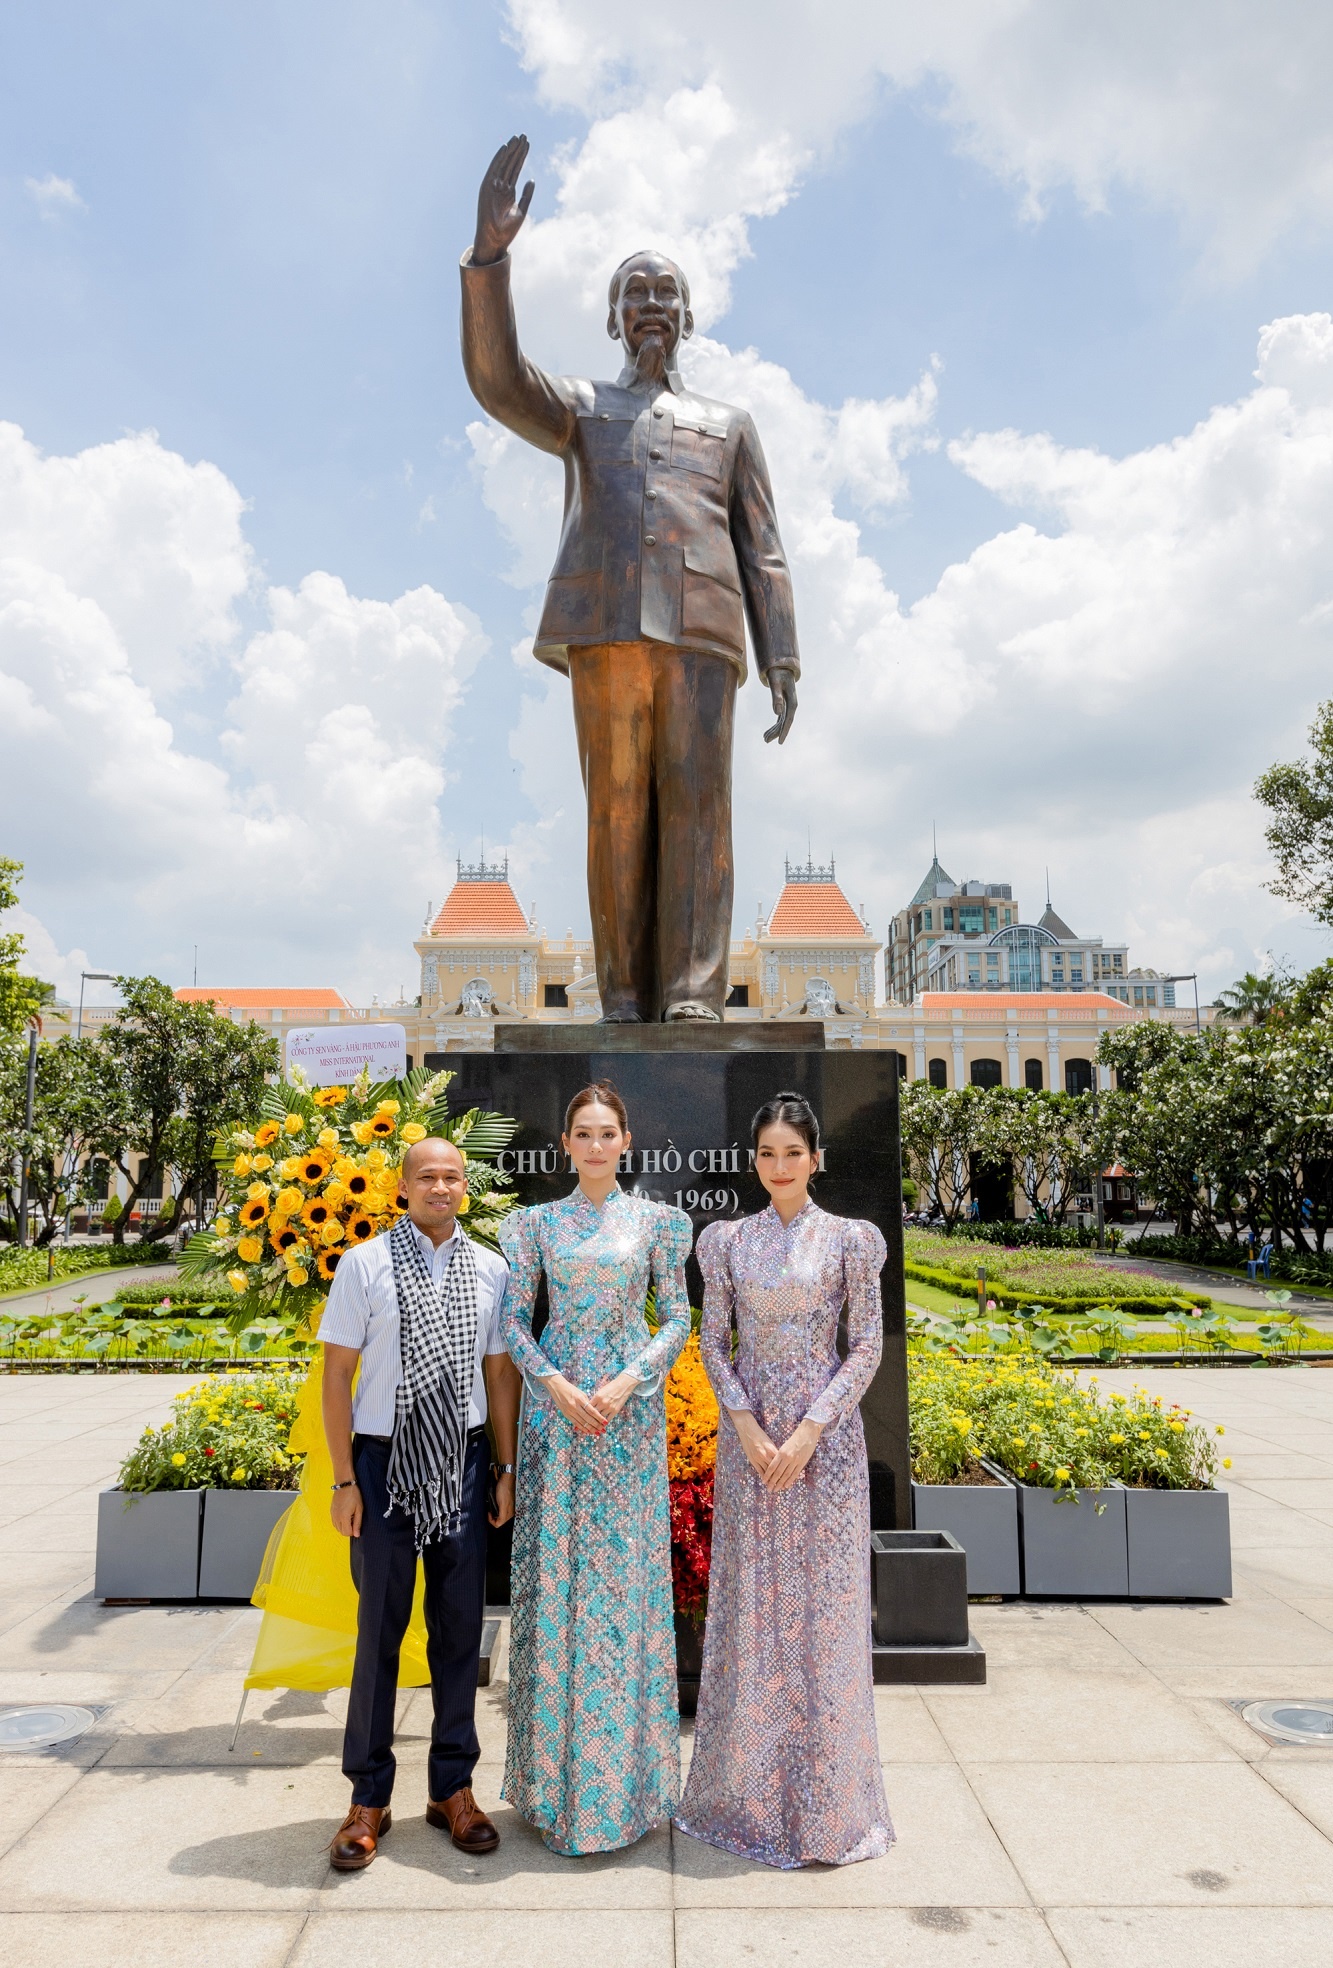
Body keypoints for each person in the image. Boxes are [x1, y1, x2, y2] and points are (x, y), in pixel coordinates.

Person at [460, 135, 801, 1024]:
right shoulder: (578, 407)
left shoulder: (728, 423)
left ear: (687, 317)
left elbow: (761, 545)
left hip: (702, 632)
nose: (652, 304)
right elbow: (496, 381)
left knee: (698, 815)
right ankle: (619, 997)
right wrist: (489, 258)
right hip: (605, 626)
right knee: (615, 815)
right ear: (613, 320)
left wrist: (783, 659)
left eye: (666, 292)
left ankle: (691, 996)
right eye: (634, 294)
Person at [674, 1091, 893, 1869]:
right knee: (754, 1610)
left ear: (815, 1158)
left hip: (823, 1450)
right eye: (765, 1154)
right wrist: (744, 1426)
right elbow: (713, 1340)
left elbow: (864, 1346)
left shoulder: (849, 1241)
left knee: (825, 1613)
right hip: (749, 1447)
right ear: (754, 1160)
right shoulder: (728, 1241)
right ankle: (749, 1798)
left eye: (791, 1154)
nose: (777, 1167)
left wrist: (808, 1430)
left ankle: (830, 1806)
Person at [499, 1081, 692, 1854]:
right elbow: (515, 1318)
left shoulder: (659, 1223)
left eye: (606, 1132)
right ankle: (554, 1790)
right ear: (565, 1144)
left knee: (622, 1593)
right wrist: (551, 1382)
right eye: (581, 1132)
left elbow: (676, 1314)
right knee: (555, 1590)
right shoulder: (533, 1225)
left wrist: (628, 1377)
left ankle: (628, 1790)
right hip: (557, 1418)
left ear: (626, 1140)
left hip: (626, 1420)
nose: (594, 1144)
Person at [319, 1135, 521, 1871]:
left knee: (459, 1632)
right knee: (378, 1632)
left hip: (464, 1464)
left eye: (452, 1177)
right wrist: (345, 1480)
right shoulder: (364, 1264)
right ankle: (367, 1798)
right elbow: (337, 1376)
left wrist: (503, 1468)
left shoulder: (491, 1269)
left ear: (466, 1188)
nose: (441, 1186)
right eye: (427, 1176)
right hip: (381, 1467)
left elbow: (501, 1378)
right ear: (402, 1187)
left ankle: (452, 1790)